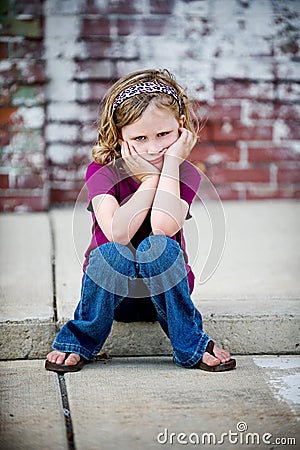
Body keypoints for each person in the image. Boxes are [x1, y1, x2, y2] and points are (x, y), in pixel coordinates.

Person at [45, 69, 236, 373]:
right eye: (139, 138)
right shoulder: (103, 171)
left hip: (166, 293)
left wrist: (170, 164)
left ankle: (190, 344)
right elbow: (118, 233)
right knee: (109, 253)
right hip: (114, 295)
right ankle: (80, 339)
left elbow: (163, 226)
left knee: (159, 246)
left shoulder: (184, 172)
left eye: (164, 134)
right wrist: (148, 181)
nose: (152, 148)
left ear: (181, 128)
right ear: (120, 137)